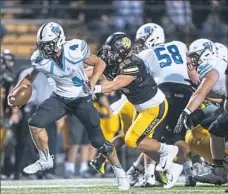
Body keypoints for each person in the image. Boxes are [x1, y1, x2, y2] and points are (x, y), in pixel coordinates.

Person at [7, 22, 129, 191]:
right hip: (59, 98)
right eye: (42, 45)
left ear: (59, 40)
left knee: (99, 142)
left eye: (48, 45)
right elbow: (29, 77)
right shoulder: (40, 58)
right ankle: (45, 159)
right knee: (35, 124)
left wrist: (92, 83)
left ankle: (119, 172)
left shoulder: (75, 49)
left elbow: (100, 63)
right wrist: (15, 91)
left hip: (81, 98)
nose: (44, 49)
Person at [92, 32, 181, 187]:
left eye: (113, 52)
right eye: (108, 50)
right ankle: (161, 166)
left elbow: (114, 85)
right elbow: (93, 70)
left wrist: (92, 88)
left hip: (154, 107)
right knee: (134, 139)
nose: (109, 55)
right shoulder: (112, 59)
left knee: (132, 140)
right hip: (139, 107)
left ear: (122, 53)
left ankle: (168, 151)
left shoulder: (133, 64)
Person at [128, 23, 194, 187]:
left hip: (164, 91)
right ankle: (189, 173)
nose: (141, 44)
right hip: (187, 92)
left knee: (150, 135)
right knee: (177, 137)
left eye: (143, 40)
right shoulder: (179, 45)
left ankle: (149, 176)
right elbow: (191, 70)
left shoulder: (145, 54)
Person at [174, 38, 228, 185]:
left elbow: (201, 93)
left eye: (195, 56)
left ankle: (219, 171)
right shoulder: (219, 63)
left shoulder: (210, 64)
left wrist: (186, 112)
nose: (192, 60)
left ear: (206, 53)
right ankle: (219, 171)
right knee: (217, 130)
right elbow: (219, 95)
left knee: (216, 130)